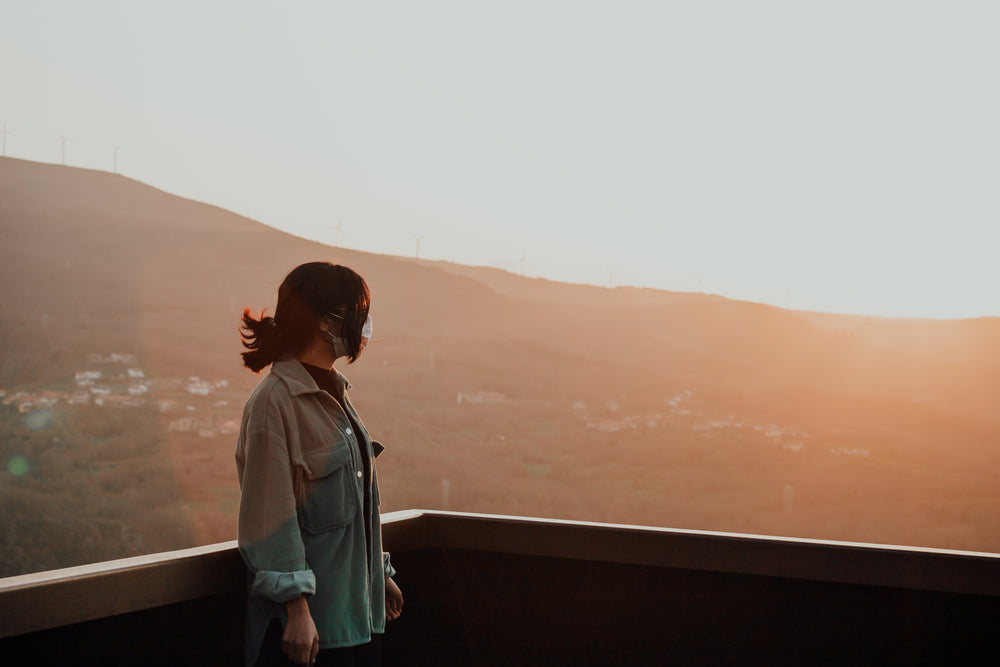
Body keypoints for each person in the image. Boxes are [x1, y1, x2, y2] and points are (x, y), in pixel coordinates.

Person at [236, 262, 403, 666]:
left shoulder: (336, 396)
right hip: (313, 636)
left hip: (360, 620)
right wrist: (297, 611)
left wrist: (380, 573)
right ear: (326, 320)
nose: (364, 325)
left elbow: (358, 503)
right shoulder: (274, 405)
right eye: (357, 311)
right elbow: (270, 518)